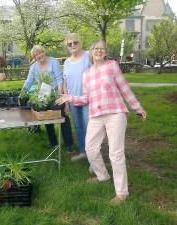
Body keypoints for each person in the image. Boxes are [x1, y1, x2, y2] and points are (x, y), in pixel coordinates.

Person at [56, 40, 147, 205]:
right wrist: (70, 97)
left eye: (101, 49)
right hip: (96, 115)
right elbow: (86, 98)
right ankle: (103, 176)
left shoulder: (112, 65)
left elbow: (124, 87)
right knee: (90, 149)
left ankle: (121, 193)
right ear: (91, 52)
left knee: (115, 153)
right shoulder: (87, 73)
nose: (98, 51)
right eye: (95, 48)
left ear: (105, 52)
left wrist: (137, 108)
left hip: (115, 114)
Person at [24, 45, 74, 153]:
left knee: (63, 116)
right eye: (36, 55)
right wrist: (23, 93)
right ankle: (53, 142)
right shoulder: (33, 67)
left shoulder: (53, 62)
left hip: (56, 92)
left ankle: (69, 144)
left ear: (44, 52)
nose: (39, 56)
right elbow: (28, 82)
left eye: (40, 53)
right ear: (34, 57)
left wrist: (60, 96)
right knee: (46, 116)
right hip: (43, 93)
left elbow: (59, 79)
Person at [63, 33, 91, 161]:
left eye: (75, 42)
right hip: (73, 101)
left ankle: (94, 157)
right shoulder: (67, 62)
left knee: (90, 129)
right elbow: (65, 82)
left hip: (88, 100)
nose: (73, 45)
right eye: (70, 44)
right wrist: (67, 102)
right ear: (67, 46)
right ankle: (83, 152)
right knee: (79, 127)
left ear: (80, 43)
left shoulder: (88, 57)